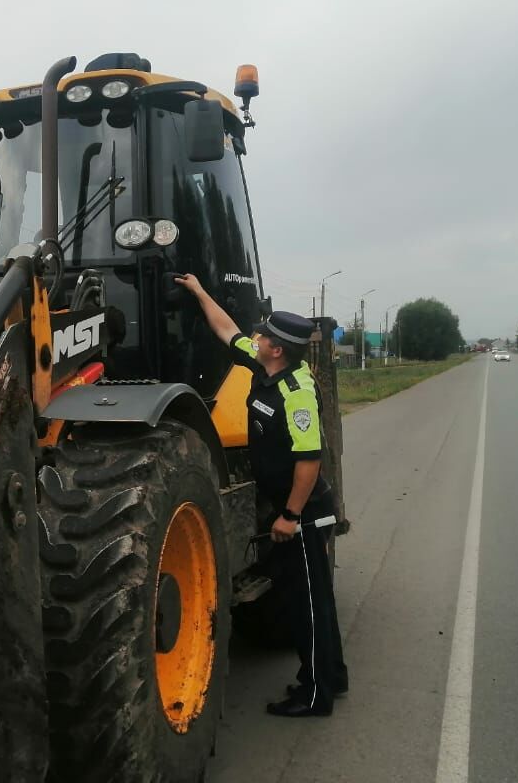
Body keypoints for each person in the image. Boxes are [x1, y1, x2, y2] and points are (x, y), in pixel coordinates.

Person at [174, 273, 348, 717]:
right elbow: (228, 331)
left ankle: (315, 695)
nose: (257, 335)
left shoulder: (296, 393)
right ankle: (334, 675)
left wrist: (289, 515)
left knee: (307, 605)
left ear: (277, 348)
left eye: (265, 334)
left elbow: (310, 462)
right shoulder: (263, 363)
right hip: (295, 508)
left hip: (306, 512)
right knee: (316, 600)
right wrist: (198, 290)